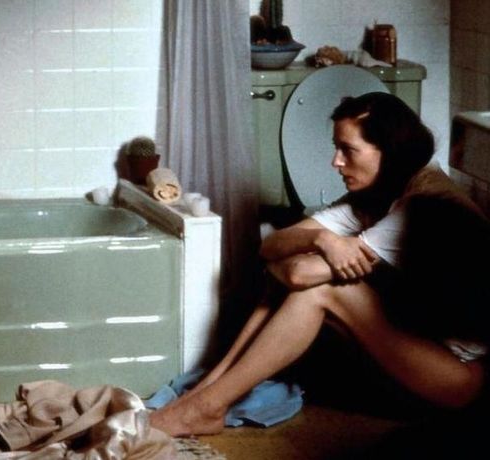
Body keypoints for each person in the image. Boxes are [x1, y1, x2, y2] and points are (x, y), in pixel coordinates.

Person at [150, 92, 489, 437]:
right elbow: (270, 245)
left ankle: (207, 405)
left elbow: (298, 273)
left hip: (459, 378)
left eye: (348, 150)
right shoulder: (377, 194)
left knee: (318, 289)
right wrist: (323, 240)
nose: (335, 161)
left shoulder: (424, 206)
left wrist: (289, 263)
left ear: (389, 151)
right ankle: (207, 393)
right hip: (420, 348)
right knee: (294, 281)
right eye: (336, 148)